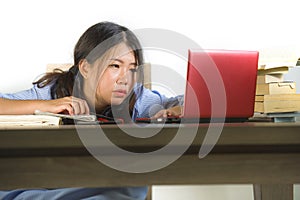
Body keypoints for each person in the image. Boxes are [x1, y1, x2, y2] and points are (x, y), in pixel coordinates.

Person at [0, 21, 182, 199]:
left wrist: (179, 108)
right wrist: (43, 105)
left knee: (132, 187)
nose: (125, 78)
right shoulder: (51, 92)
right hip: (46, 181)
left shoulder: (139, 99)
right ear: (85, 68)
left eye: (132, 69)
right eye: (115, 66)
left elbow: (188, 101)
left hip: (99, 184)